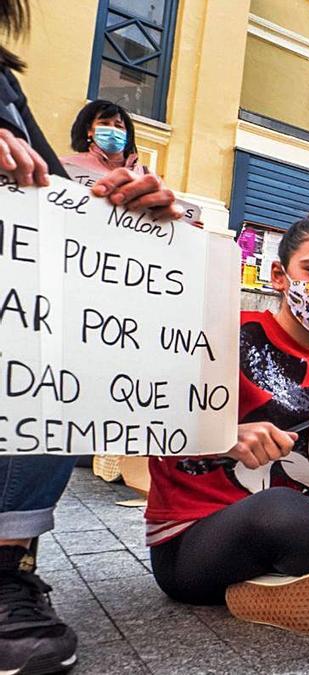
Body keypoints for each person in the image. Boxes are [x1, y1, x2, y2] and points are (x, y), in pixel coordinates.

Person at [0, 4, 185, 670]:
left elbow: (57, 210)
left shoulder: (5, 85)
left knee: (61, 348)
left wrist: (144, 220)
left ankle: (6, 562)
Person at [147, 208, 309, 636]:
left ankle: (283, 583)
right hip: (191, 545)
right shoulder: (223, 335)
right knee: (282, 508)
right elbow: (141, 412)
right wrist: (221, 432)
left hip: (294, 522)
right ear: (280, 275)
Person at [60, 99, 146, 176]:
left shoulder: (145, 174)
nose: (112, 129)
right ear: (89, 130)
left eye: (118, 126)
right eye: (104, 123)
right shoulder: (67, 165)